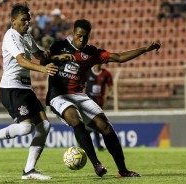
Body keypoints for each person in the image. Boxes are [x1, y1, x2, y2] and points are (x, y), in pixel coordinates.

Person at [45, 19, 160, 177]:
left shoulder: (92, 52)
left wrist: (145, 49)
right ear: (73, 34)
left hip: (78, 95)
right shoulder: (59, 45)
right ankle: (96, 164)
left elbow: (118, 57)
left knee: (105, 127)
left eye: (85, 37)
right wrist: (57, 58)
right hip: (58, 95)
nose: (82, 40)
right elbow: (43, 60)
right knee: (75, 120)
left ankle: (123, 170)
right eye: (79, 36)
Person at [0, 3, 70, 180]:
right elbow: (22, 61)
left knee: (45, 126)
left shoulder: (27, 35)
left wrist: (56, 58)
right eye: (23, 20)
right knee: (25, 128)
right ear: (12, 21)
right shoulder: (11, 36)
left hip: (25, 88)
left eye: (28, 20)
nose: (27, 23)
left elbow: (39, 54)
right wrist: (43, 69)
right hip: (11, 88)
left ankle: (29, 171)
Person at [85, 64, 113, 151]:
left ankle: (85, 135)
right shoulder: (88, 72)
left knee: (94, 123)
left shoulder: (106, 74)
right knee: (96, 122)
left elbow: (110, 86)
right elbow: (81, 82)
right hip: (88, 102)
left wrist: (109, 94)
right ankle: (98, 145)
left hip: (99, 103)